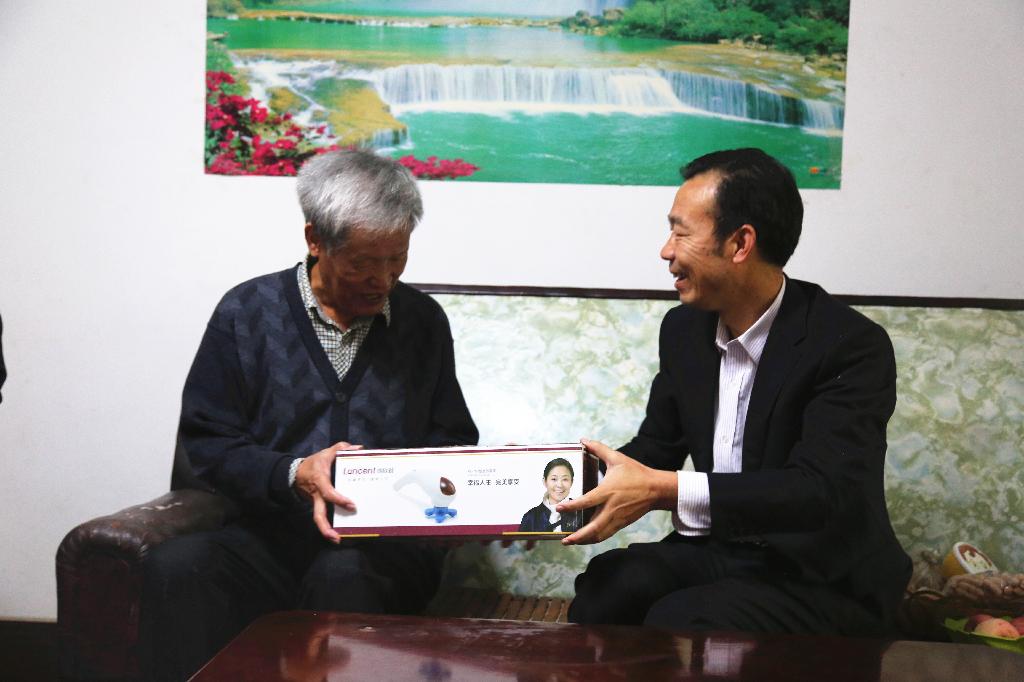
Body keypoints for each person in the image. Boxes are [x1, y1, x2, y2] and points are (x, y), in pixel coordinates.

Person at [140, 149, 478, 680]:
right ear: (315, 239)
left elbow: (453, 438)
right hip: (268, 537)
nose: (382, 279)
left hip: (381, 548)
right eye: (362, 262)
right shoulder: (246, 313)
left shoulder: (424, 322)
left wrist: (475, 493)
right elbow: (207, 445)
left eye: (397, 259)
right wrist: (294, 472)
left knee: (344, 574)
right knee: (178, 567)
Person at [558, 148, 911, 637]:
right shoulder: (684, 330)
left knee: (681, 618)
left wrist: (665, 489)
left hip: (821, 573)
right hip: (722, 550)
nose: (666, 251)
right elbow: (656, 447)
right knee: (609, 588)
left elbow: (819, 489)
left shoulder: (850, 344)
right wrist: (552, 489)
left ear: (740, 243)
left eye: (681, 232)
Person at [518, 457, 582, 532]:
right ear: (545, 481)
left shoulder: (580, 512)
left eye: (565, 479)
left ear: (572, 482)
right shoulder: (531, 517)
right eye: (554, 479)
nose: (559, 485)